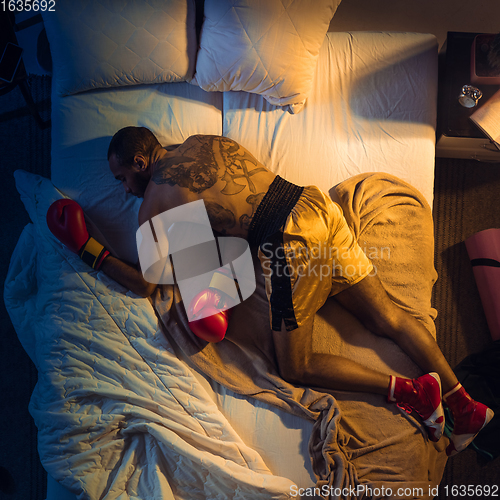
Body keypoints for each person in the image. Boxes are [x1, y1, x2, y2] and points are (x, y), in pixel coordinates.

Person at [47, 126, 494, 457]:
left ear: (140, 163)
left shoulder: (157, 203)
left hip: (287, 248)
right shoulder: (207, 141)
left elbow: (149, 280)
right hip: (315, 206)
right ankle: (465, 402)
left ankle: (415, 392)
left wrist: (89, 248)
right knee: (390, 318)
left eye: (122, 178)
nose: (123, 190)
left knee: (294, 366)